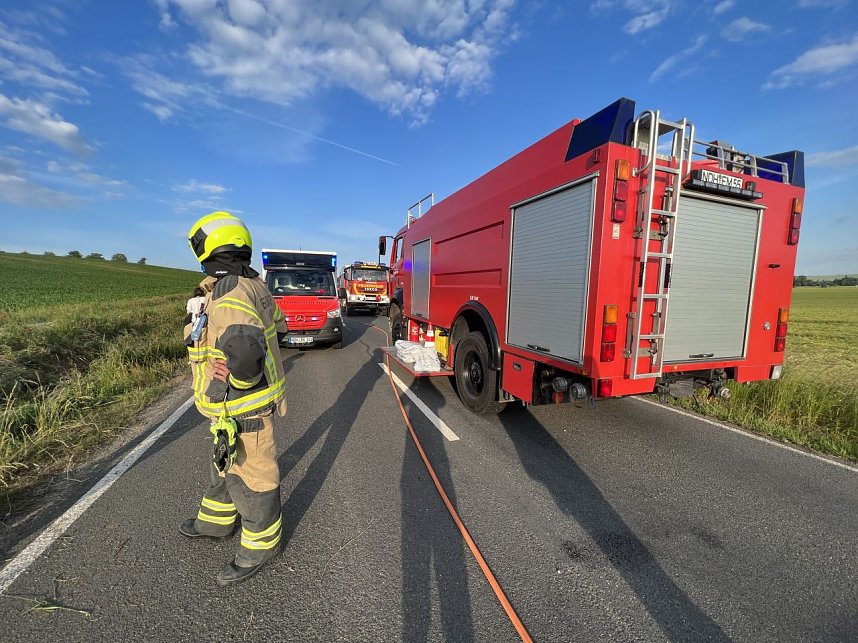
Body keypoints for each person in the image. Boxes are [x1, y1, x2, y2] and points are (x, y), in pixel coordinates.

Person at [181, 211, 288, 586]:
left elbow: (242, 352)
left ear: (209, 247)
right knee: (226, 462)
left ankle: (260, 546)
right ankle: (213, 523)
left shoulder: (229, 291)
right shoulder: (254, 285)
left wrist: (240, 379)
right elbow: (281, 325)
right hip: (233, 403)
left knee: (255, 475)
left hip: (242, 404)